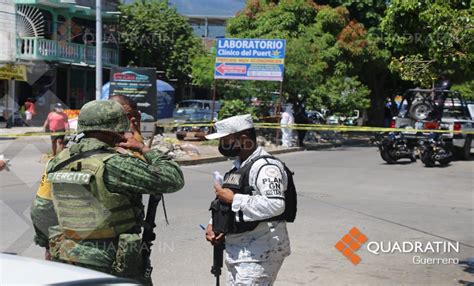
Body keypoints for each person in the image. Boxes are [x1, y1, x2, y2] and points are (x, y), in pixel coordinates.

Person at [30, 100, 185, 285]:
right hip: (112, 263)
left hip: (67, 257)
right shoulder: (115, 164)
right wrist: (144, 149)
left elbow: (40, 209)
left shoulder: (57, 161)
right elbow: (173, 178)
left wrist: (47, 244)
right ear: (113, 129)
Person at [205, 114, 291, 285]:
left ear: (243, 139)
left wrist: (235, 199)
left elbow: (276, 204)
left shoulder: (266, 167)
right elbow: (228, 201)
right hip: (239, 250)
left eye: (225, 140)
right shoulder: (239, 165)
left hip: (260, 252)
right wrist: (214, 224)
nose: (222, 145)